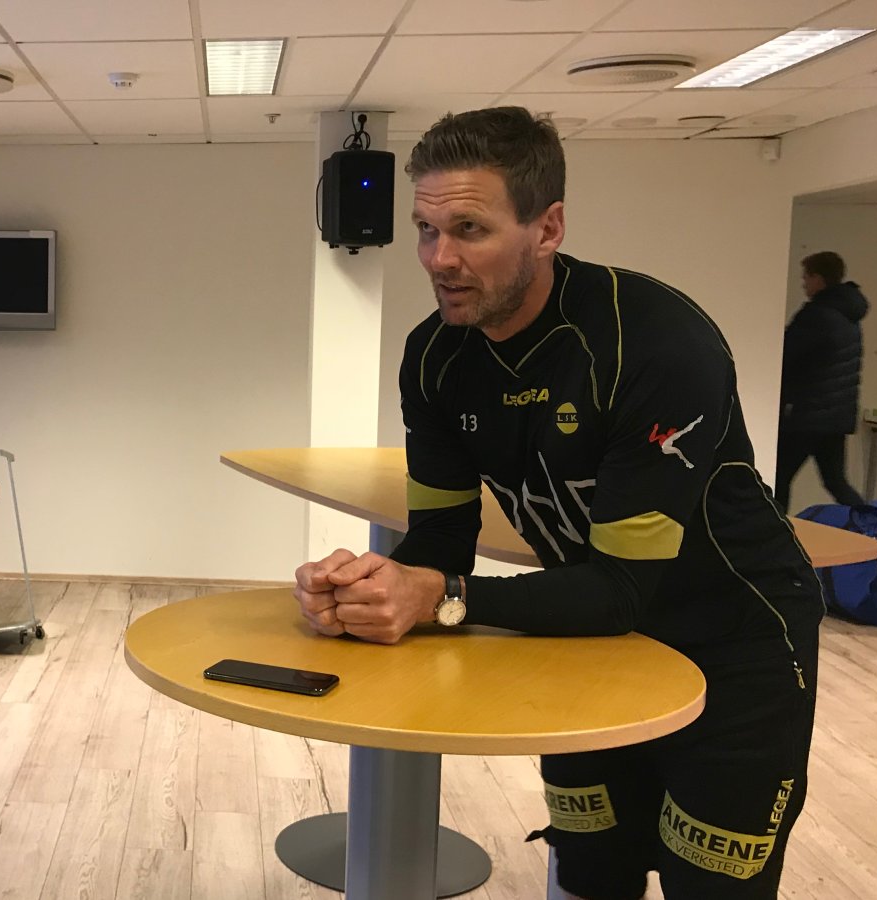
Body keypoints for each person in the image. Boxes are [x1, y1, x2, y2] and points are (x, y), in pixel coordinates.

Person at [293, 107, 821, 900]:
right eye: (426, 229)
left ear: (548, 228)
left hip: (736, 649)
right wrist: (373, 588)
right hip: (582, 641)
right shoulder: (435, 357)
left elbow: (622, 588)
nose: (439, 258)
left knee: (708, 886)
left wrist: (440, 598)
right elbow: (439, 542)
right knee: (590, 874)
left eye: (469, 229)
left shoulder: (655, 343)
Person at [776, 250, 869, 511]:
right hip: (836, 417)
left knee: (778, 476)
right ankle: (870, 524)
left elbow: (786, 354)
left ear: (819, 278)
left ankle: (777, 529)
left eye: (806, 277)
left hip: (807, 414)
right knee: (836, 481)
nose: (804, 283)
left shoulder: (817, 315)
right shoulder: (849, 316)